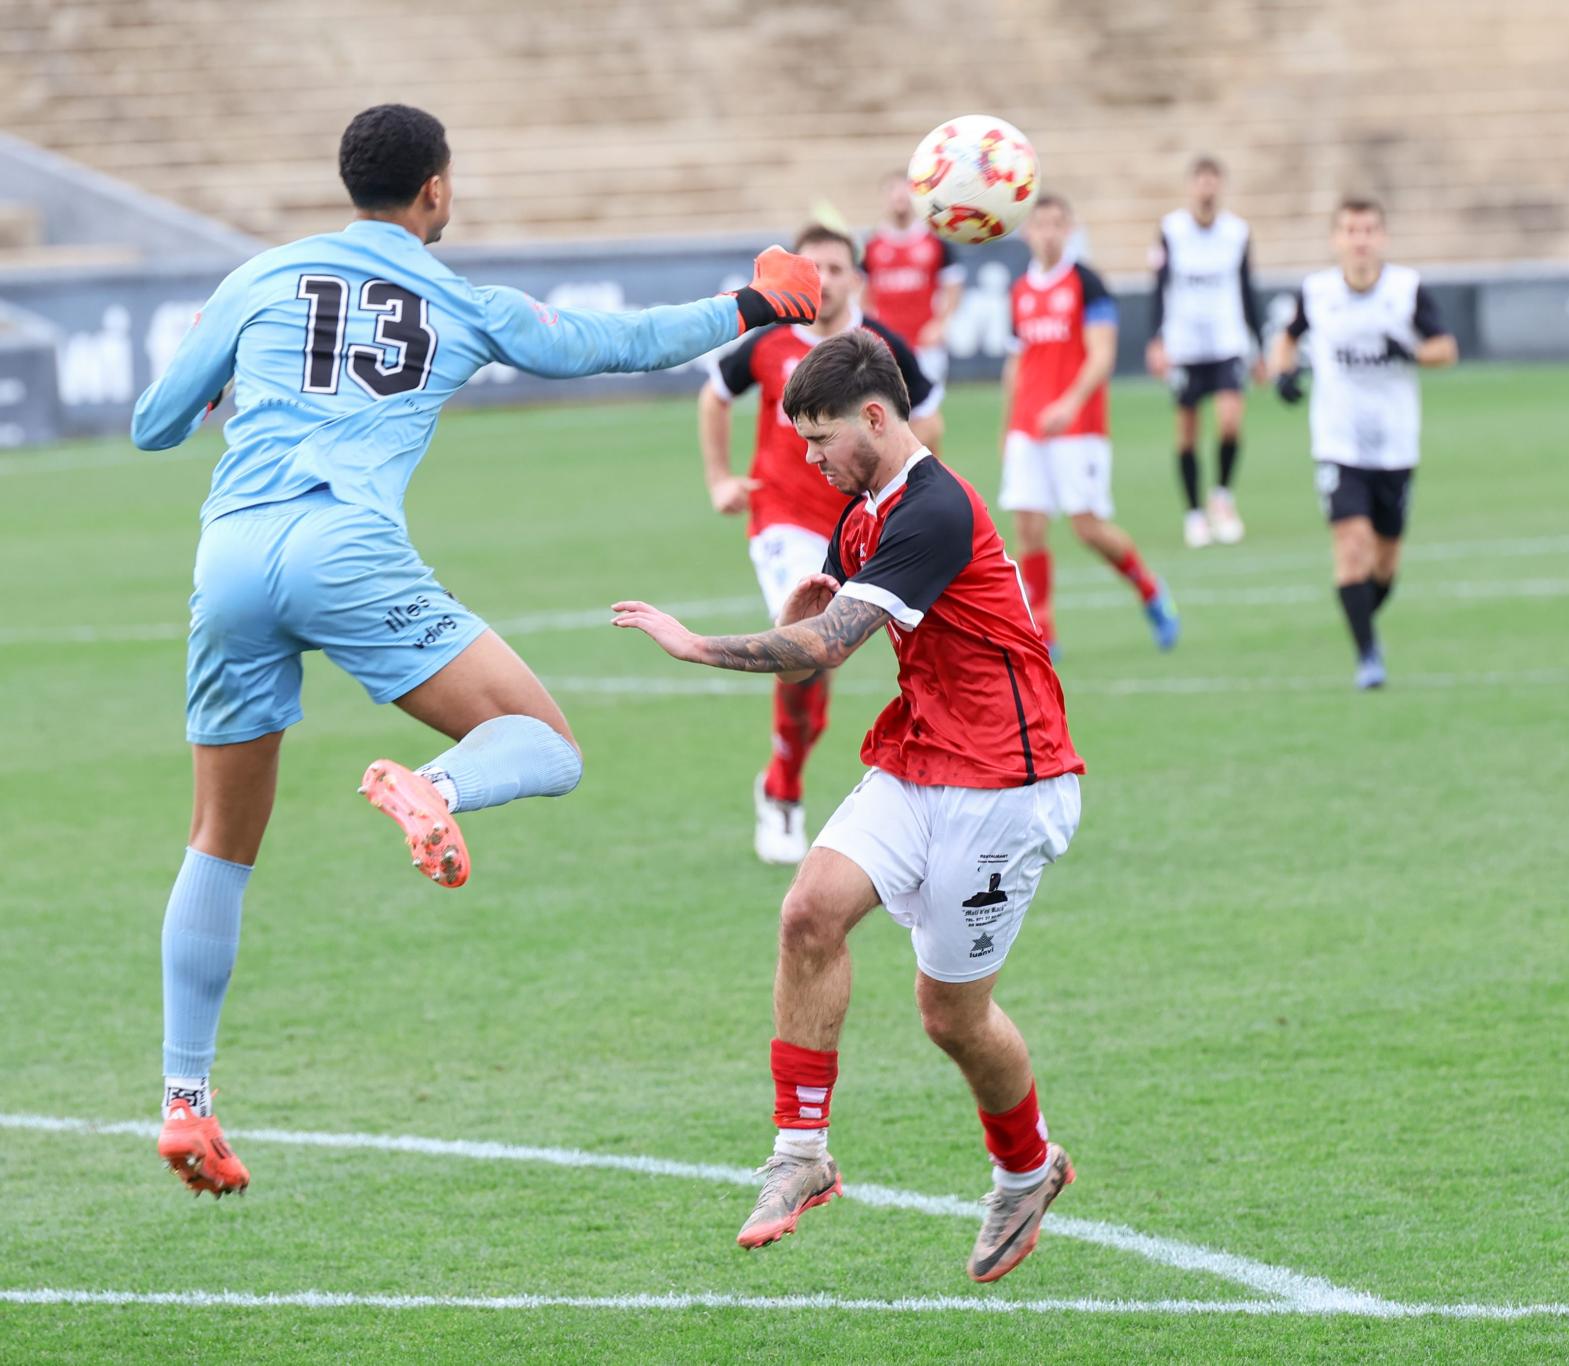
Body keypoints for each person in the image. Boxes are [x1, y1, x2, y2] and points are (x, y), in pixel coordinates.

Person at [129, 102, 819, 1198]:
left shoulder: (260, 278)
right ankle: (435, 787)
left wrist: (231, 389)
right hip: (346, 550)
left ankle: (183, 1101)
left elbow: (153, 424)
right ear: (436, 190)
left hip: (229, 561)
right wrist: (755, 302)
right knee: (545, 742)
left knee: (219, 839)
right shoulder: (457, 298)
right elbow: (614, 345)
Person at [613, 330, 1082, 1284]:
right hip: (921, 755)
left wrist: (700, 644)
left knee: (950, 1017)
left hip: (1006, 781)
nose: (809, 459)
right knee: (808, 913)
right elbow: (823, 619)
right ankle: (800, 1155)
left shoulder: (937, 509)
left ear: (877, 417)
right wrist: (802, 605)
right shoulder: (863, 507)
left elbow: (829, 645)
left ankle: (1029, 1168)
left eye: (820, 438)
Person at [701, 224, 940, 863]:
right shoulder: (772, 344)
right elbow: (715, 396)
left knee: (822, 667)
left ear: (857, 277)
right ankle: (783, 793)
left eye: (838, 268)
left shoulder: (881, 348)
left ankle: (799, 775)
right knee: (808, 649)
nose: (828, 281)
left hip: (863, 524)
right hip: (782, 522)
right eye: (818, 270)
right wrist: (721, 478)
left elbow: (930, 415)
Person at [1268, 198, 1456, 689]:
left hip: (1395, 446)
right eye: (1351, 230)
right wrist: (1282, 374)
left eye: (1369, 229)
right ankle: (1368, 656)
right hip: (1339, 444)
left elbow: (1446, 349)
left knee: (1384, 561)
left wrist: (1411, 350)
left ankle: (1361, 623)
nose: (1360, 239)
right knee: (1352, 548)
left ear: (1383, 237)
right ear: (1337, 239)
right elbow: (1286, 339)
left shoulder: (1406, 290)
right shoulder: (1317, 292)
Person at [1003, 194, 1178, 659]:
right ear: (1027, 232)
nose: (1049, 232)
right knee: (1029, 529)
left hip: (1078, 427)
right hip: (1028, 427)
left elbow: (1101, 354)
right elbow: (1018, 362)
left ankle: (1149, 589)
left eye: (1058, 223)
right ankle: (1044, 630)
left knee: (1087, 528)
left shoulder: (1088, 283)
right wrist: (1009, 427)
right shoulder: (1019, 290)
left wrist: (1067, 404)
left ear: (1070, 229)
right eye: (1040, 224)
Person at [1146, 156, 1263, 547]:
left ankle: (1222, 498)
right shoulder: (1171, 230)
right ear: (1191, 186)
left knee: (1230, 422)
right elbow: (1159, 290)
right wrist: (1157, 339)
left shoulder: (1237, 232)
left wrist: (1258, 344)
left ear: (1221, 186)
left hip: (1227, 342)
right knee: (1187, 435)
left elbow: (1248, 290)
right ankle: (1194, 513)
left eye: (1213, 181)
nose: (1207, 188)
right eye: (1201, 181)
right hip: (1185, 345)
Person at [863, 171, 966, 404]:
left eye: (905, 190)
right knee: (886, 410)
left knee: (926, 411)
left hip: (924, 342)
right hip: (885, 344)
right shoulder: (873, 244)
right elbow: (861, 290)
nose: (900, 197)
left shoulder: (935, 241)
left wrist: (941, 324)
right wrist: (868, 325)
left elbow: (953, 287)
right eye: (893, 191)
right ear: (885, 198)